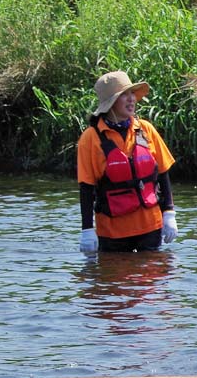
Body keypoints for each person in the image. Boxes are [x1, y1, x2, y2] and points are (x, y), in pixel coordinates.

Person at [76, 71, 179, 254]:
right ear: (110, 103)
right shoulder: (90, 139)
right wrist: (87, 230)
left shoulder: (145, 129)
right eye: (124, 94)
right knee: (113, 280)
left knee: (151, 280)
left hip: (150, 227)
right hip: (112, 232)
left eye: (132, 93)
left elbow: (163, 174)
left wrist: (169, 213)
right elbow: (86, 188)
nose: (131, 99)